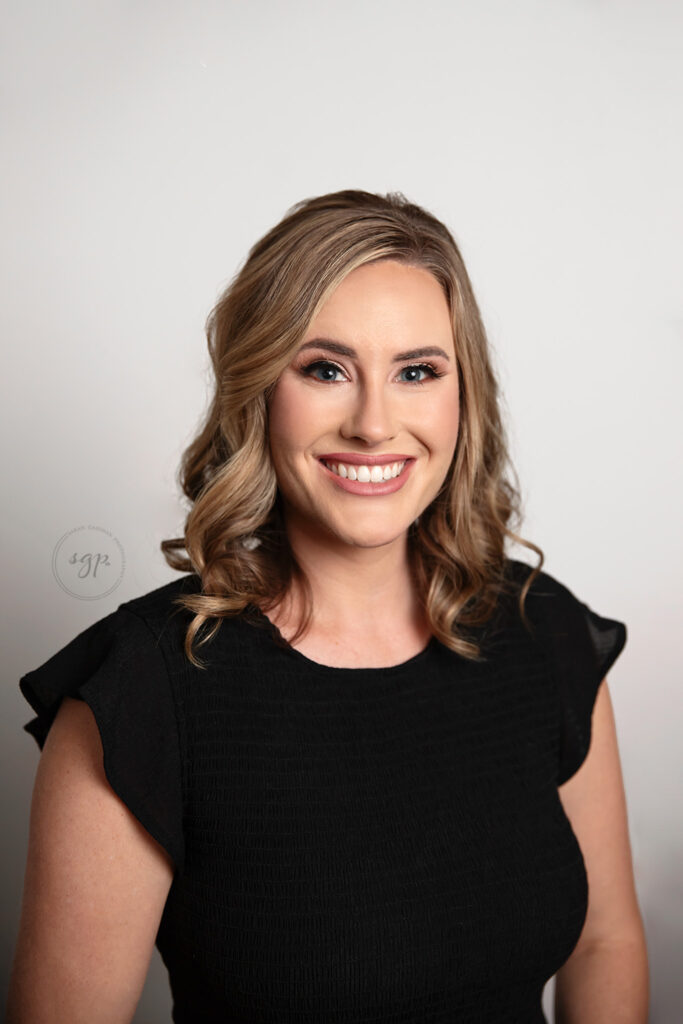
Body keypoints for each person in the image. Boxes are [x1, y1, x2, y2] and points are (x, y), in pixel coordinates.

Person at [8, 189, 648, 1023]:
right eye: (324, 369)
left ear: (463, 400)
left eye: (416, 371)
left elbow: (606, 943)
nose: (375, 423)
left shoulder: (544, 633)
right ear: (259, 389)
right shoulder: (141, 690)